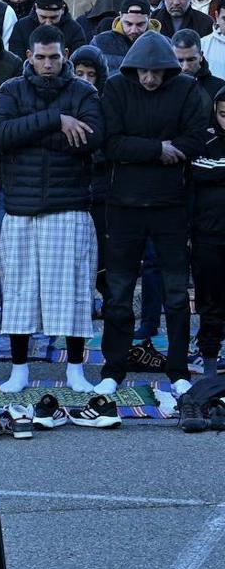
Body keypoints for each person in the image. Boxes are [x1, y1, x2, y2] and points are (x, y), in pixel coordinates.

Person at [97, 31, 210, 408]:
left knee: (177, 296)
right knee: (118, 294)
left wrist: (157, 149)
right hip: (124, 205)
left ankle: (177, 371)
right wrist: (157, 148)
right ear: (133, 69)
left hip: (170, 206)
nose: (149, 79)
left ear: (167, 69)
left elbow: (195, 139)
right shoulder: (115, 89)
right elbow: (110, 142)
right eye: (143, 72)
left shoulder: (187, 89)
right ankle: (112, 371)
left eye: (156, 72)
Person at [0, 24, 103, 394]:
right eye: (40, 57)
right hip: (21, 208)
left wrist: (31, 135)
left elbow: (89, 140)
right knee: (20, 293)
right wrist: (56, 120)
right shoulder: (11, 89)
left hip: (69, 206)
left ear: (65, 54)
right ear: (29, 56)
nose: (48, 64)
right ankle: (18, 370)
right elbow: (2, 136)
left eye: (54, 57)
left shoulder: (84, 91)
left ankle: (75, 370)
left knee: (72, 292)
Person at [191, 90, 225, 375]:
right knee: (210, 303)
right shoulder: (206, 138)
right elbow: (201, 169)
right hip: (209, 235)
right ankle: (210, 364)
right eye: (224, 115)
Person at [171, 29, 225, 101]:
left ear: (201, 56)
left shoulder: (219, 88)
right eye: (180, 60)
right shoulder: (163, 87)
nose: (185, 67)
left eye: (191, 60)